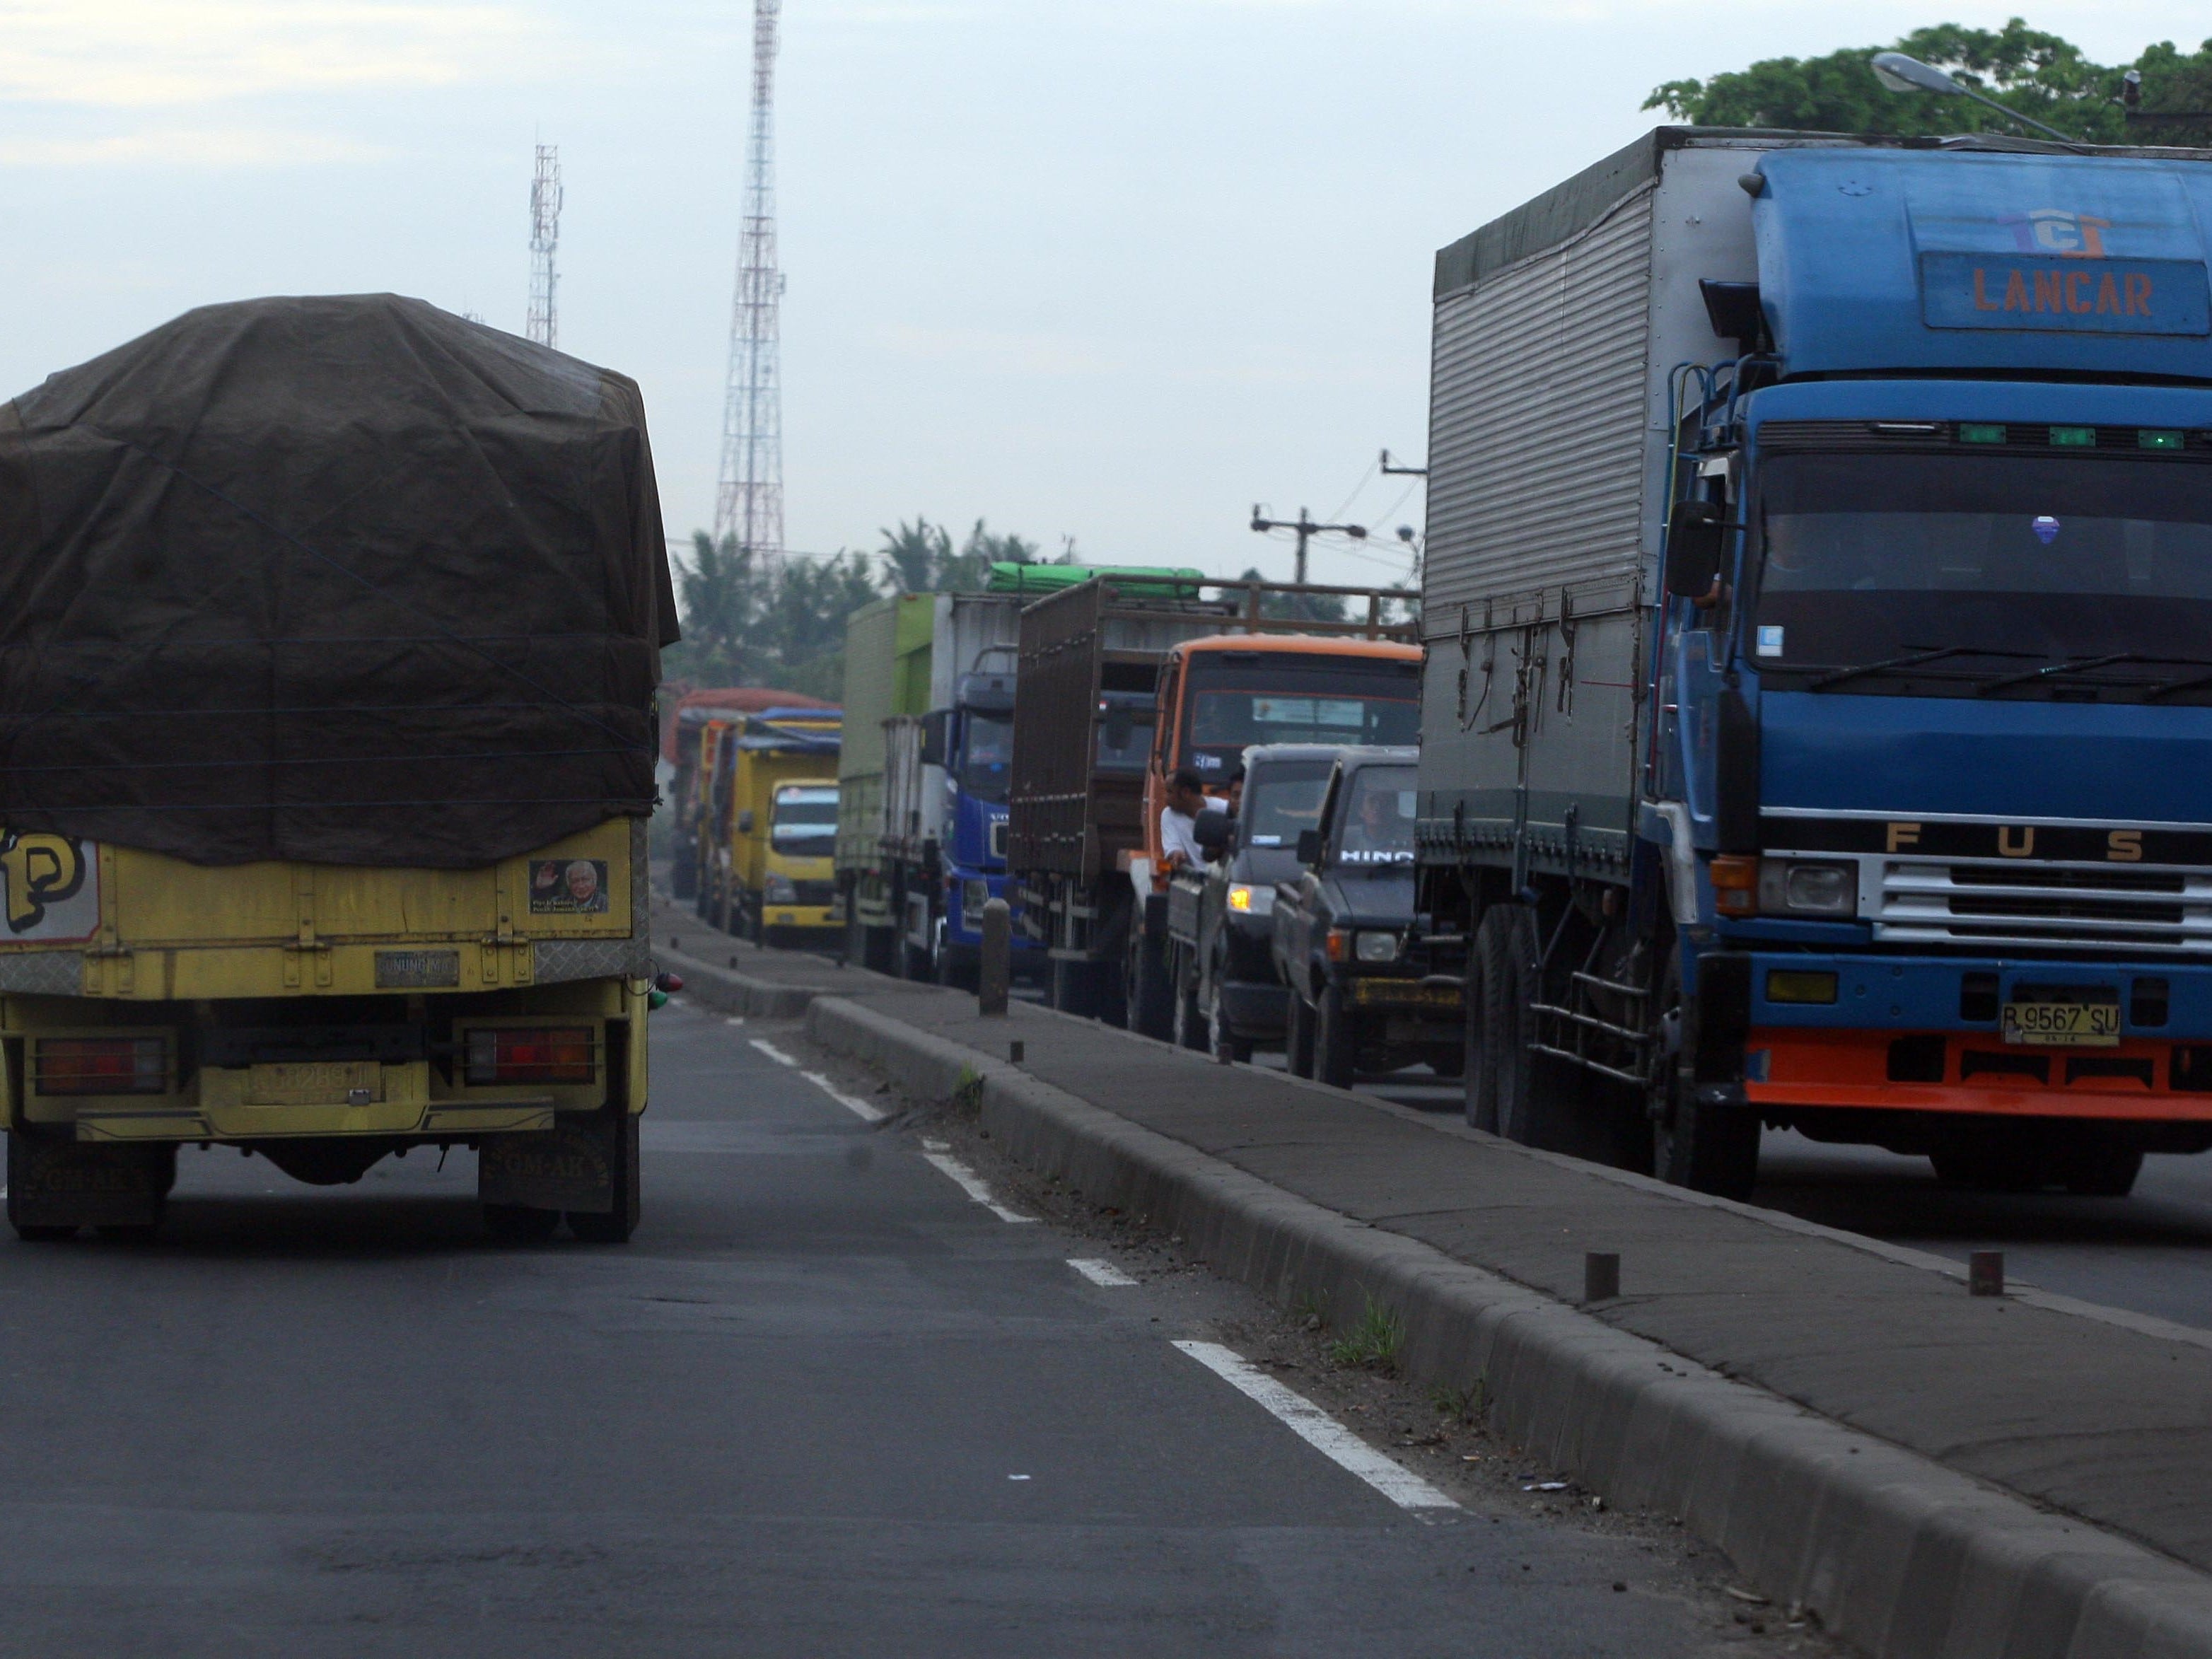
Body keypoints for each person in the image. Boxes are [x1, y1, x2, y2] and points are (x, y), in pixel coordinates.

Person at [1159, 766, 1226, 872]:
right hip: (1195, 881)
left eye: (1169, 792)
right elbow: (1173, 846)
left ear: (1186, 793)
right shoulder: (1168, 815)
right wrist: (1177, 855)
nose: (1164, 797)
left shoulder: (1223, 809)